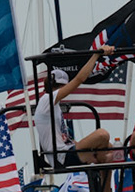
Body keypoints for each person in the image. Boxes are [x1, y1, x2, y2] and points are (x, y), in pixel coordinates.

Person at [32, 48, 118, 184]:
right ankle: (100, 168)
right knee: (102, 135)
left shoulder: (54, 106)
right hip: (62, 157)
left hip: (67, 151)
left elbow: (65, 138)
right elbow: (79, 79)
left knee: (109, 147)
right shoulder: (47, 100)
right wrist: (96, 55)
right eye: (64, 87)